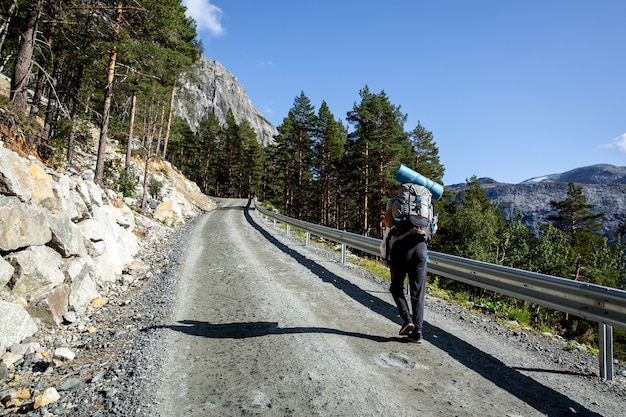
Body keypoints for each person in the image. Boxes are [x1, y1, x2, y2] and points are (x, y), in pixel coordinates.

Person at [383, 197, 430, 344]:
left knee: (396, 287)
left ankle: (407, 319)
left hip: (401, 247)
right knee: (418, 292)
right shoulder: (426, 204)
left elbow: (389, 223)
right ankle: (417, 331)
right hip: (421, 249)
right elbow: (432, 230)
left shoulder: (395, 201)